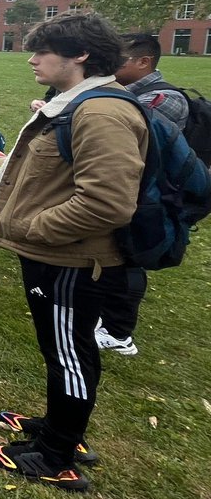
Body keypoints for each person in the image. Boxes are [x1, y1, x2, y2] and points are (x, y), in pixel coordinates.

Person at [0, 12, 147, 491]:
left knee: (69, 354)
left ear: (80, 55)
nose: (32, 59)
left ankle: (56, 455)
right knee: (65, 349)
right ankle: (59, 429)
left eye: (43, 51)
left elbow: (107, 203)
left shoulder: (101, 113)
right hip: (57, 254)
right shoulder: (77, 104)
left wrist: (32, 228)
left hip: (73, 259)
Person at [95, 33, 189, 357]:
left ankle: (119, 332)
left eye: (119, 60)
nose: (111, 66)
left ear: (143, 62)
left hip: (150, 196)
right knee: (114, 254)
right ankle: (106, 318)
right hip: (130, 187)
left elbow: (133, 140)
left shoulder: (163, 100)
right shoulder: (127, 94)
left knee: (129, 258)